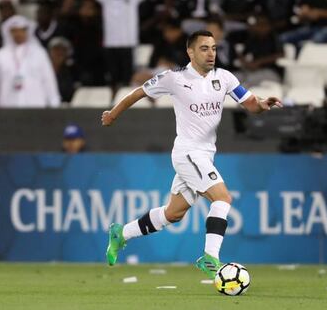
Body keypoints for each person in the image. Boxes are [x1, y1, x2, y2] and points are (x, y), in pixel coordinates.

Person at [101, 30, 282, 278]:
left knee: (173, 213)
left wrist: (262, 104)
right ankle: (210, 258)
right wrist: (113, 114)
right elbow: (138, 92)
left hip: (205, 155)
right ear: (190, 52)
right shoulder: (174, 78)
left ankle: (121, 233)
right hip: (188, 152)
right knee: (223, 198)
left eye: (214, 48)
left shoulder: (224, 77)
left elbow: (250, 103)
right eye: (204, 48)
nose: (211, 54)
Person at [0, 15, 60, 108]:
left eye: (22, 30)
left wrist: (54, 102)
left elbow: (48, 79)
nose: (18, 34)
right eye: (14, 31)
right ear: (9, 33)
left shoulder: (39, 53)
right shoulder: (2, 55)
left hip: (35, 105)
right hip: (8, 106)